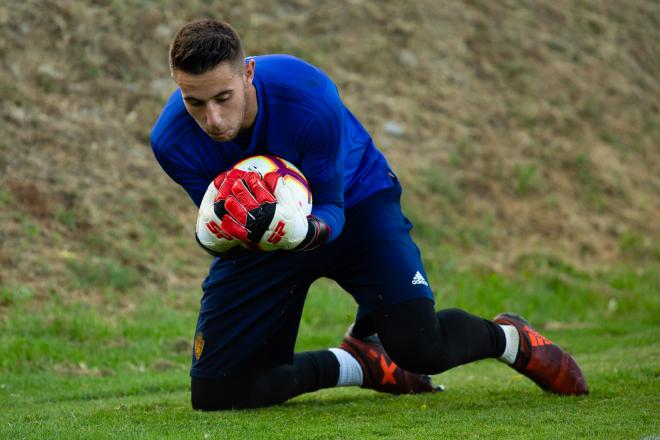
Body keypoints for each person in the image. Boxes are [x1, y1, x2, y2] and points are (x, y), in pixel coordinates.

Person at [150, 19, 588, 411]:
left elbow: (332, 207)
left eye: (224, 97)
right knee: (219, 394)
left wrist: (303, 232)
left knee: (421, 349)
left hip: (355, 204)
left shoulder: (308, 97)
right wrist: (213, 236)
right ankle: (359, 362)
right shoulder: (172, 142)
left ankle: (511, 339)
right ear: (177, 87)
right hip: (266, 235)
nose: (213, 119)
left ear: (248, 72)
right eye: (194, 102)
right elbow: (221, 223)